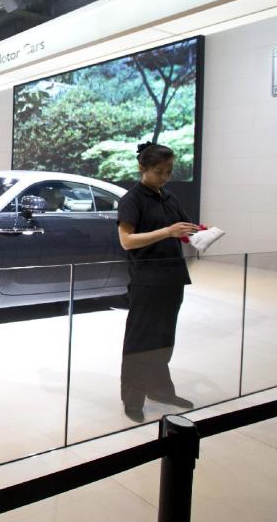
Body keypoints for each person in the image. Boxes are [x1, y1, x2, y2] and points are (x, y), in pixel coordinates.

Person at [116, 142, 200, 423]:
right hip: (146, 281)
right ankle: (132, 399)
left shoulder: (170, 198)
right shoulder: (132, 200)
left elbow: (186, 231)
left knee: (164, 339)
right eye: (159, 172)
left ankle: (160, 390)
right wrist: (167, 232)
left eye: (168, 171)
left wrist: (202, 232)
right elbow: (127, 241)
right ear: (143, 169)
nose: (164, 177)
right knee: (140, 341)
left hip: (172, 278)